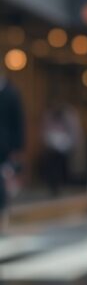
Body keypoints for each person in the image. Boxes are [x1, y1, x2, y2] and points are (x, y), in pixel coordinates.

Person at [0, 72, 25, 231]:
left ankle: (2, 217)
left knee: (3, 181)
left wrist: (17, 148)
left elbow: (19, 122)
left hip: (5, 146)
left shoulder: (12, 93)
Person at [41, 103, 79, 195]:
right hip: (52, 148)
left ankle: (60, 185)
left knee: (61, 167)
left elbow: (74, 133)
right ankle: (54, 185)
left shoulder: (68, 117)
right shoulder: (49, 116)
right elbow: (45, 131)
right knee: (52, 167)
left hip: (64, 148)